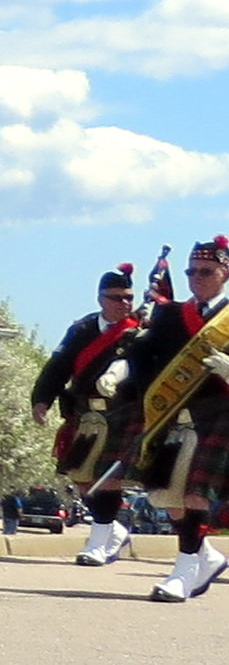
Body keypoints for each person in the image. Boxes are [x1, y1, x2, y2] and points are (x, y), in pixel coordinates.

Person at [119, 236, 229, 602]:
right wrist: (122, 366)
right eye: (191, 272)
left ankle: (182, 572)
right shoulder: (171, 314)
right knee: (167, 495)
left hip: (221, 416)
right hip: (175, 414)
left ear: (224, 272)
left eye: (205, 271)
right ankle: (206, 557)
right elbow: (145, 355)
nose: (196, 277)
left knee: (197, 494)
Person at [34, 262, 149, 566]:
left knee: (106, 479)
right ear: (101, 298)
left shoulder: (141, 331)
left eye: (128, 297)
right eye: (116, 298)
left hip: (124, 412)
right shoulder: (82, 329)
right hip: (84, 413)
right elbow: (58, 366)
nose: (124, 304)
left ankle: (98, 541)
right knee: (82, 478)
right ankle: (114, 530)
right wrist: (41, 399)